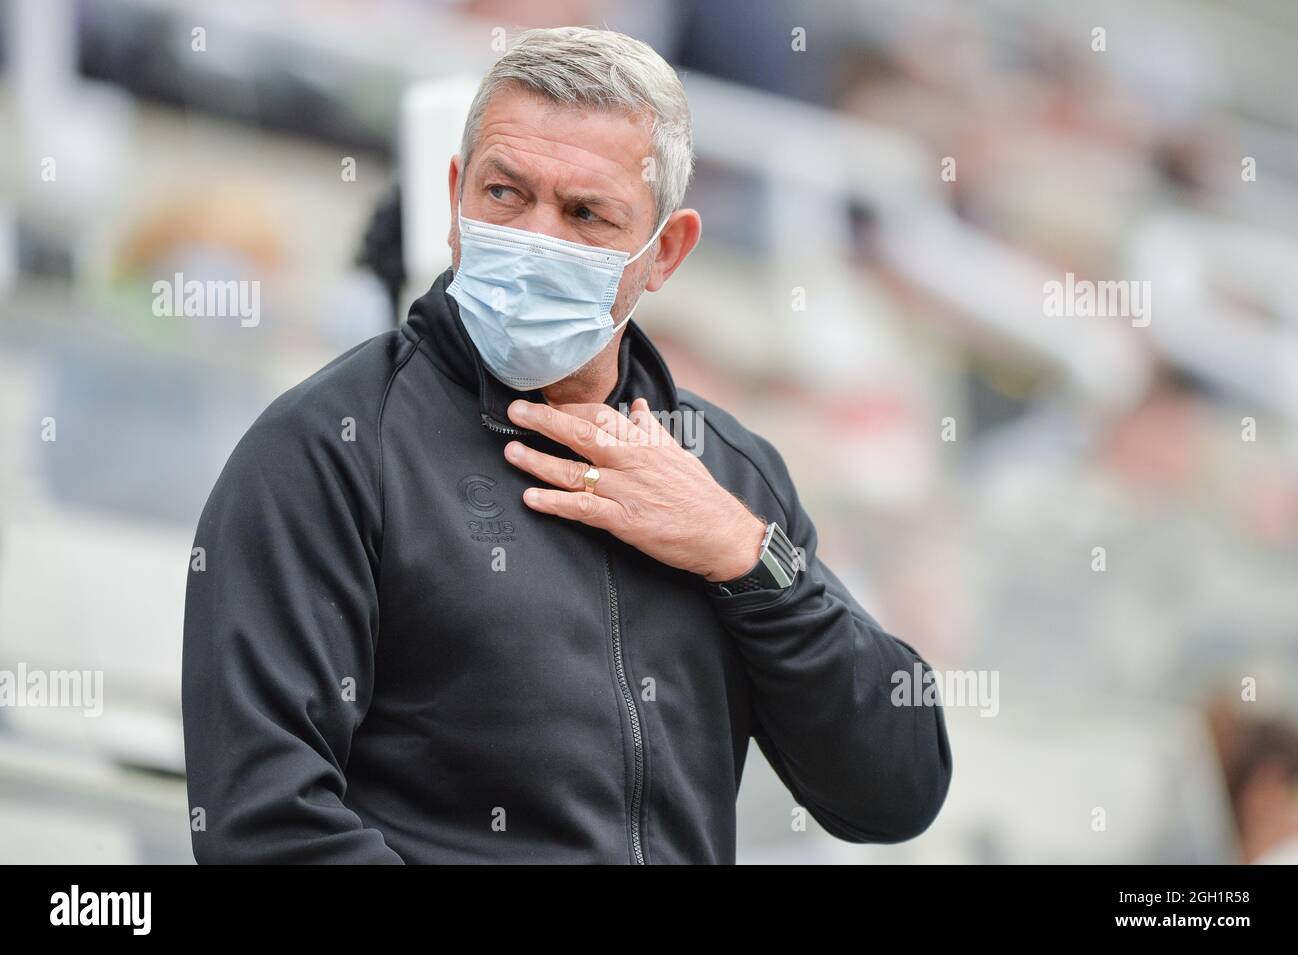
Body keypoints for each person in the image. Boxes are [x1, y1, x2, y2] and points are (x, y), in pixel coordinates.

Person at [181, 26, 951, 864]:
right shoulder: (327, 448)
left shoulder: (729, 473)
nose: (537, 237)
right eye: (506, 194)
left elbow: (898, 790)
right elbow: (264, 826)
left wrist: (743, 555)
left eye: (587, 213)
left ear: (666, 253)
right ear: (454, 198)